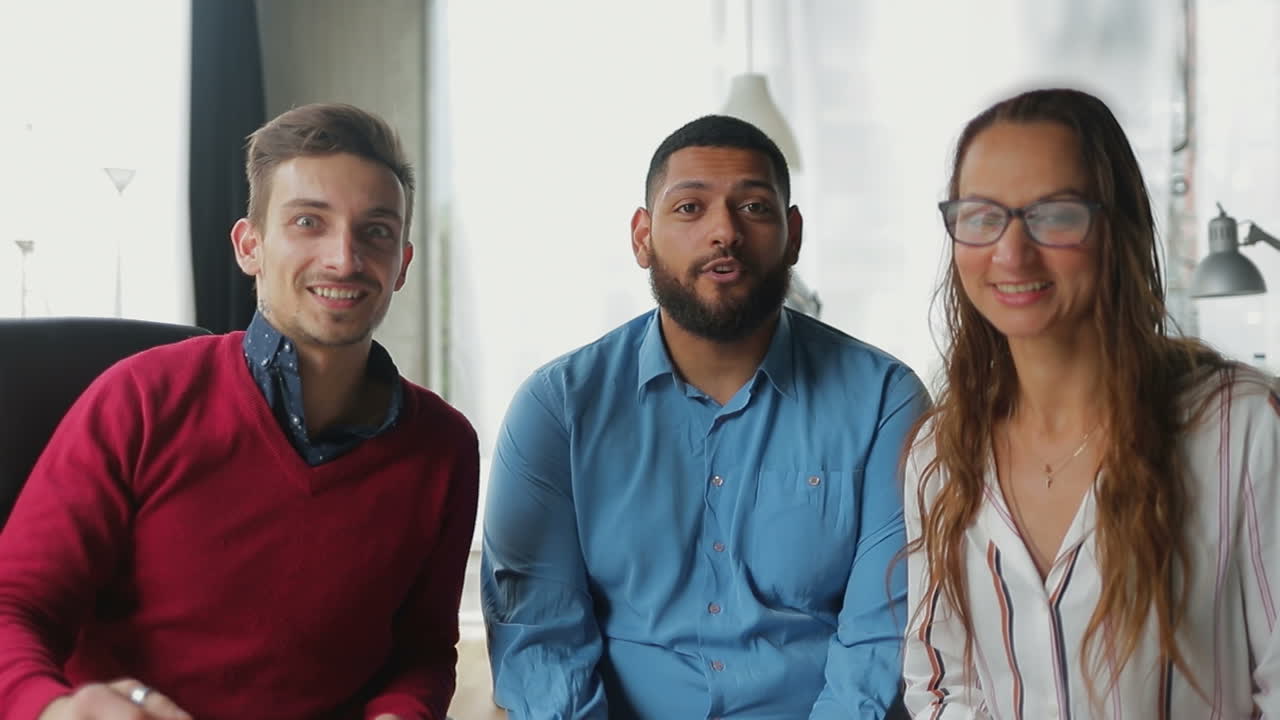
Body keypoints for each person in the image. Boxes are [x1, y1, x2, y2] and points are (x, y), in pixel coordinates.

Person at [0, 103, 479, 720]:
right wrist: (51, 709)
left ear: (402, 266)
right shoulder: (140, 398)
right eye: (309, 221)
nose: (344, 258)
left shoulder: (444, 447)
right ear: (249, 246)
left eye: (377, 231)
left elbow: (422, 654)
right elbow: (14, 605)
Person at [482, 114, 929, 719]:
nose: (724, 231)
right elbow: (540, 641)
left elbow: (880, 642)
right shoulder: (558, 408)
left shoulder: (885, 401)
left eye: (753, 207)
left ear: (793, 234)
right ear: (643, 237)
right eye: (690, 208)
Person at [901, 87, 1280, 718]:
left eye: (1054, 214)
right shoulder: (939, 454)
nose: (1011, 252)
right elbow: (940, 682)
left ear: (1119, 226)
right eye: (981, 215)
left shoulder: (1243, 429)